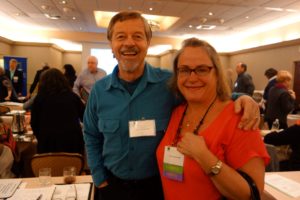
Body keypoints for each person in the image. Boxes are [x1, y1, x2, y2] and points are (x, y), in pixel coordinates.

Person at [83, 11, 260, 200]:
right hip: (112, 187)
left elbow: (202, 92)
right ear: (111, 44)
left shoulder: (168, 83)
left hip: (158, 188)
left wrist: (241, 97)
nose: (129, 43)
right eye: (121, 37)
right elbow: (91, 136)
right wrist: (100, 179)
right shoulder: (99, 91)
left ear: (147, 43)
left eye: (137, 36)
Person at [156, 38, 269, 200]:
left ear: (216, 73)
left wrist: (204, 157)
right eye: (184, 70)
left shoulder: (239, 118)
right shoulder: (176, 112)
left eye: (202, 69)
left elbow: (251, 194)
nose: (192, 78)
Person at [31, 68, 85, 154]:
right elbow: (85, 118)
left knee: (48, 166)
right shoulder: (72, 97)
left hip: (47, 143)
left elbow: (34, 123)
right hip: (72, 143)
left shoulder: (39, 99)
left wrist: (42, 136)